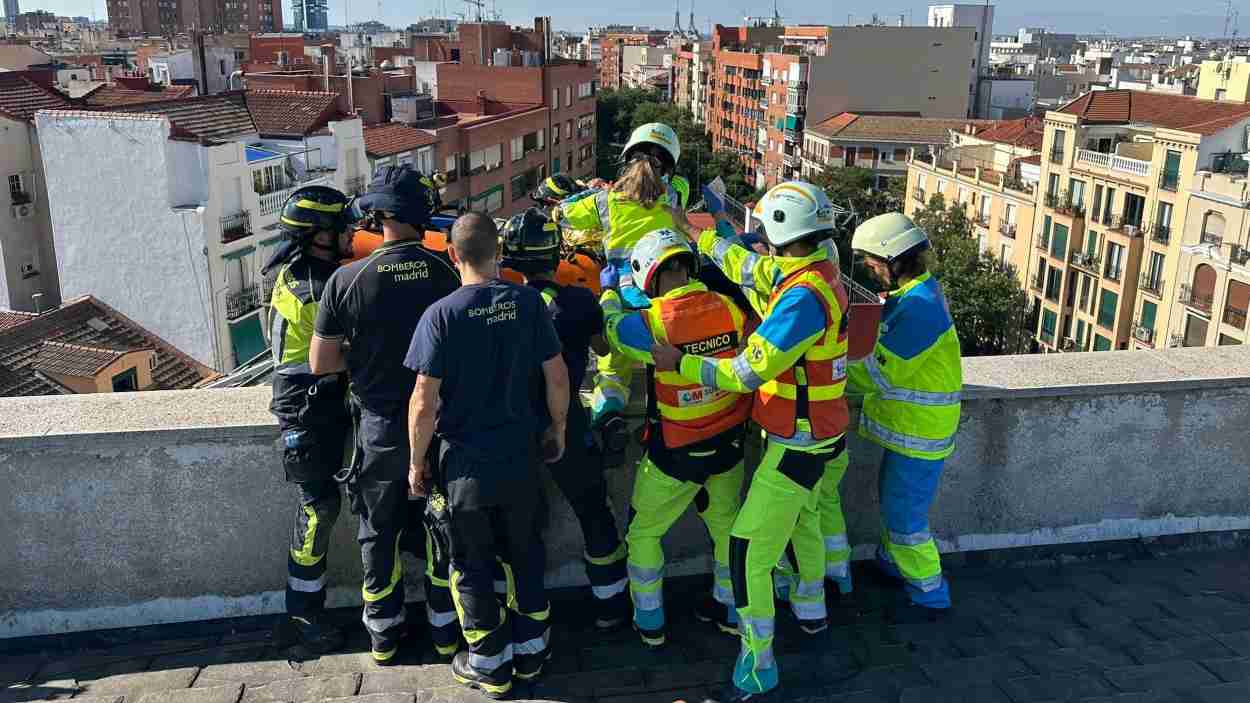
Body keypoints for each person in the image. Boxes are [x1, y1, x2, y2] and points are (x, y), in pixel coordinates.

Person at [655, 181, 852, 702]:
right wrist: (701, 234)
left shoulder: (802, 302)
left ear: (783, 232)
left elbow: (748, 370)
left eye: (764, 233)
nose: (759, 242)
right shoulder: (811, 272)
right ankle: (811, 613)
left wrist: (684, 364)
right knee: (802, 524)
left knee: (746, 550)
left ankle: (758, 662)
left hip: (799, 443)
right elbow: (748, 266)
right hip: (815, 432)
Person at [405, 213, 570, 699]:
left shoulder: (441, 314)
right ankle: (532, 654)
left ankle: (490, 666)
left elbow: (422, 401)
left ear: (453, 255)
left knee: (471, 566)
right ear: (499, 252)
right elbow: (557, 376)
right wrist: (557, 428)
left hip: (466, 470)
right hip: (522, 459)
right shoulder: (528, 302)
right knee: (526, 556)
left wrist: (417, 464)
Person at [309, 164, 460, 665]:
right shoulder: (448, 272)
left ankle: (384, 635)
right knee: (443, 523)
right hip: (442, 425)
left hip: (378, 428)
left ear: (377, 213)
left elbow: (321, 364)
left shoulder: (346, 279)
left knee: (378, 530)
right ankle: (445, 630)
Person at [599, 228, 751, 649]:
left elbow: (613, 329)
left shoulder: (652, 323)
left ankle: (650, 622)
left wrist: (611, 292)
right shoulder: (730, 308)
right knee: (727, 530)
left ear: (648, 276)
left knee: (644, 534)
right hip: (729, 446)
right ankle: (729, 610)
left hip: (676, 454)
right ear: (688, 264)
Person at [498, 207, 630, 631]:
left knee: (515, 524)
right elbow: (606, 350)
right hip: (567, 422)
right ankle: (611, 607)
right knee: (594, 513)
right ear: (555, 253)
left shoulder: (496, 304)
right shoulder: (576, 301)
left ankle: (524, 616)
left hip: (511, 428)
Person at [847, 212, 962, 620]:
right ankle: (892, 564)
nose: (866, 268)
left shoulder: (918, 308)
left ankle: (930, 591)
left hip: (919, 434)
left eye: (869, 261)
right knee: (897, 506)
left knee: (905, 518)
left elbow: (878, 372)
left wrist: (829, 372)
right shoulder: (918, 295)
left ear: (890, 259)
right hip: (915, 431)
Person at [557, 122, 688, 455]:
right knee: (666, 369)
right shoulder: (675, 195)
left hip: (618, 301)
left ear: (626, 158)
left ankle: (610, 420)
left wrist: (591, 189)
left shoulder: (602, 202)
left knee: (612, 373)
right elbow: (673, 187)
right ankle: (660, 427)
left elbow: (561, 213)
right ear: (668, 166)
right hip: (664, 305)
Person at [263, 185, 356, 654]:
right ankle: (303, 612)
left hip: (313, 404)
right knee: (318, 510)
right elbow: (339, 354)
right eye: (343, 226)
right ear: (319, 234)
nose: (352, 232)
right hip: (308, 409)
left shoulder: (299, 271)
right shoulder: (317, 290)